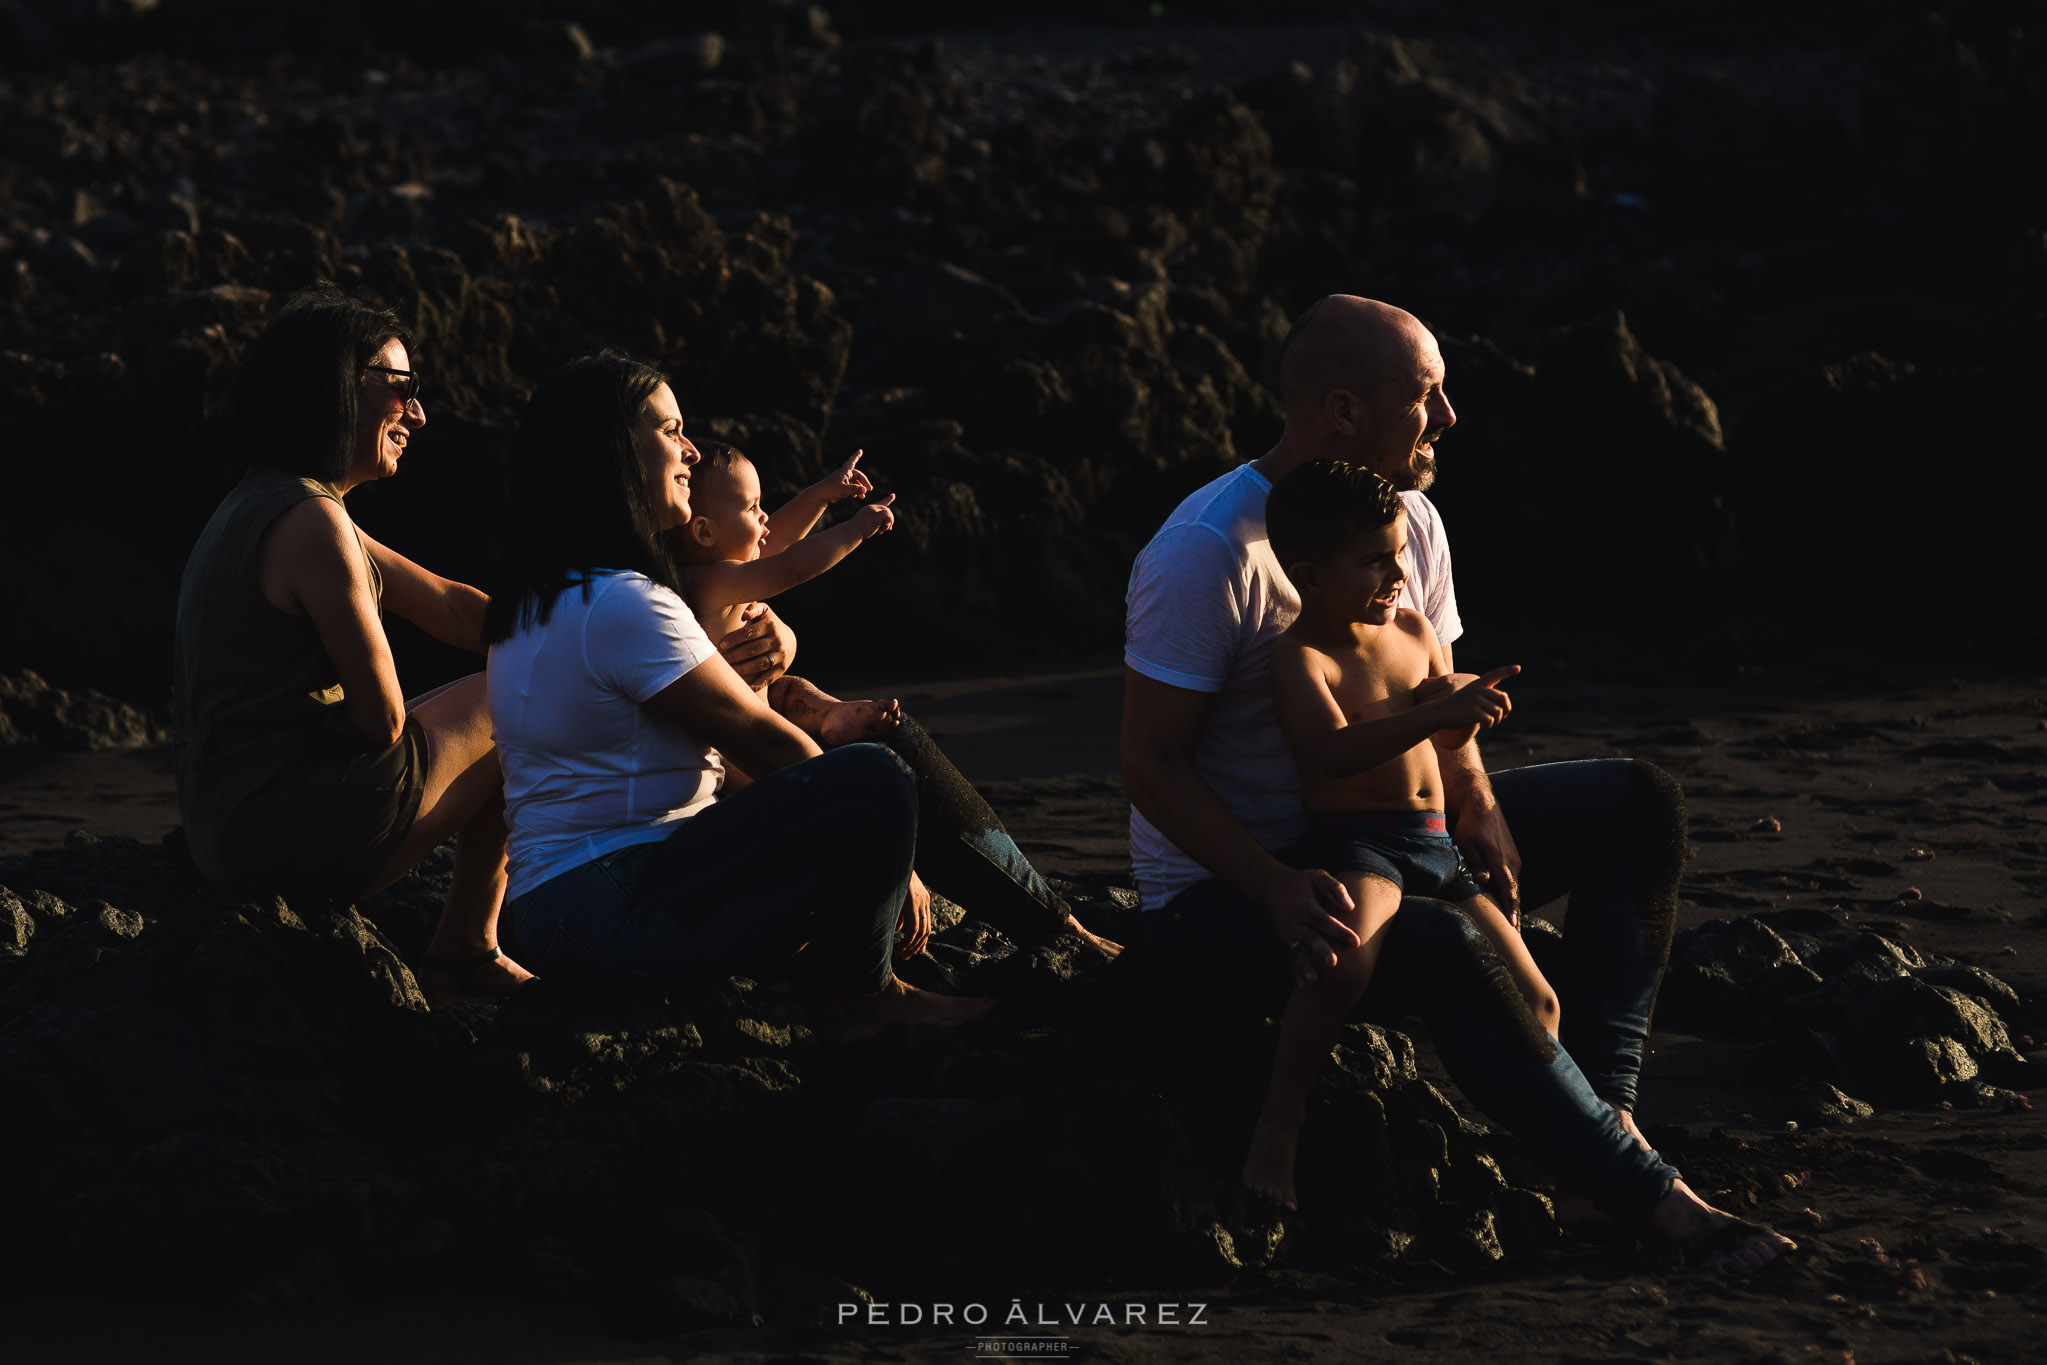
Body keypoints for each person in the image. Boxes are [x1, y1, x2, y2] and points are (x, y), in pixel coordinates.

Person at [1121, 295, 1792, 1271]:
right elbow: (1152, 768)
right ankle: (1653, 1203)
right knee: (1438, 937)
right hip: (1234, 898)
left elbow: (1435, 690)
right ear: (1345, 413)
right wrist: (1273, 886)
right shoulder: (1206, 554)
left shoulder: (1408, 524)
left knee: (1637, 803)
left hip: (1403, 829)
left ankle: (1600, 1128)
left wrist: (1476, 804)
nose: (1447, 419)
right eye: (1427, 397)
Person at [482, 351, 1026, 1031]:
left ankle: (877, 966)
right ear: (614, 451)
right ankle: (865, 998)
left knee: (840, 795)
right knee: (875, 777)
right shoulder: (622, 604)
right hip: (610, 902)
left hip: (554, 909)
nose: (689, 451)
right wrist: (895, 857)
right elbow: (765, 743)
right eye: (670, 430)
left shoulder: (543, 595)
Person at [171, 282, 528, 1006]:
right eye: (403, 388)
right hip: (279, 831)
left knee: (535, 661)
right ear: (339, 387)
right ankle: (464, 950)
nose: (419, 414)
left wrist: (610, 628)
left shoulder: (275, 499)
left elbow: (455, 607)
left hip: (229, 823)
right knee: (525, 686)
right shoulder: (313, 522)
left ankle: (464, 952)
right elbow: (383, 721)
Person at [1245, 458, 1543, 1209]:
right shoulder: (1300, 656)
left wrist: (1459, 705)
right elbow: (1330, 751)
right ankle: (1279, 1122)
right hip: (1360, 842)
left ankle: (1557, 1144)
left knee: (1536, 1000)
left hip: (1435, 841)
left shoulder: (1412, 628)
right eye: (1375, 559)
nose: (1398, 573)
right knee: (1340, 965)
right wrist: (1430, 715)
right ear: (1309, 574)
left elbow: (1441, 730)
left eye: (1399, 551)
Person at [676, 441, 902, 745]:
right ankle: (829, 728)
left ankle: (834, 714)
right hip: (740, 741)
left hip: (755, 711)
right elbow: (791, 566)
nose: (764, 516)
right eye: (751, 507)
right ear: (705, 532)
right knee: (785, 696)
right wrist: (856, 529)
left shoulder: (717, 572)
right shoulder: (711, 580)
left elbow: (778, 539)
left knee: (789, 688)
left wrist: (820, 495)